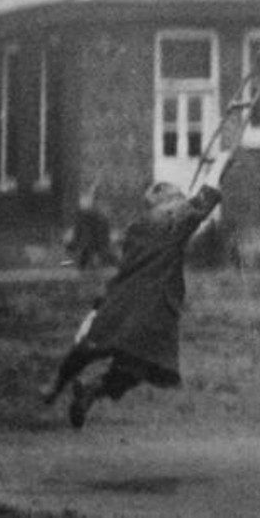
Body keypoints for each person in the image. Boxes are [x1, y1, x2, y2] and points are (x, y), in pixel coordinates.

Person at [39, 149, 234, 428]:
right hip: (151, 312)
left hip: (118, 300)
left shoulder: (138, 229)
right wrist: (222, 163)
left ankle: (56, 385)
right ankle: (95, 389)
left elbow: (197, 206)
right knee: (136, 368)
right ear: (168, 206)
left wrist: (205, 188)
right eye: (176, 202)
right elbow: (205, 199)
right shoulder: (175, 226)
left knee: (90, 347)